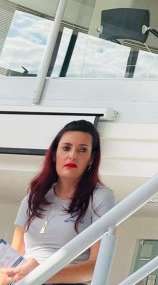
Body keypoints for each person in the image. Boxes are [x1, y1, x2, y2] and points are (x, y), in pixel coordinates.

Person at [0, 120, 115, 285]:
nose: (72, 155)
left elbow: (96, 266)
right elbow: (13, 260)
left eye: (82, 150)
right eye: (66, 148)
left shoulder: (100, 197)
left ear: (91, 159)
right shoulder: (32, 198)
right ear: (54, 154)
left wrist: (41, 273)